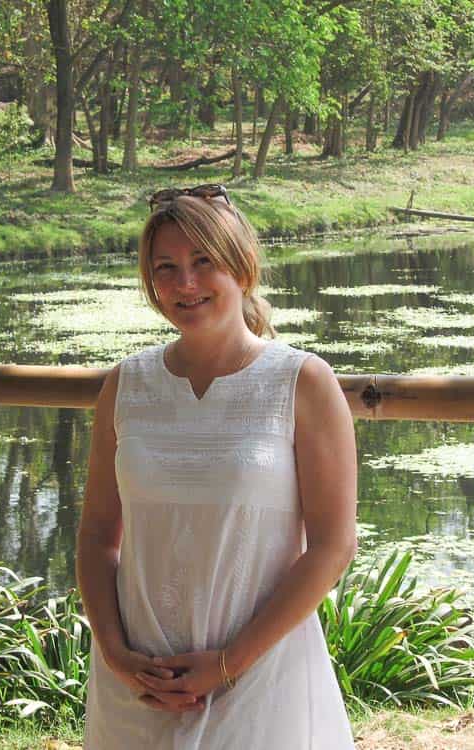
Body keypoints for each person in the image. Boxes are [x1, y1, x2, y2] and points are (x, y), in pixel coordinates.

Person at [77, 184, 358, 748]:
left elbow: (333, 546)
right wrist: (116, 656)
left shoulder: (301, 382)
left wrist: (228, 664)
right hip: (139, 684)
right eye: (166, 268)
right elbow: (96, 538)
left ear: (242, 266)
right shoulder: (126, 386)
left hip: (261, 680)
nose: (185, 283)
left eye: (203, 261)